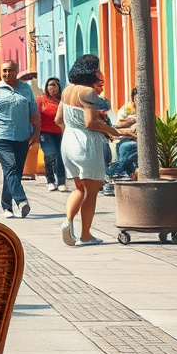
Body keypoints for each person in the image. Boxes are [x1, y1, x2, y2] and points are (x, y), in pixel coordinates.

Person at [57, 55, 131, 246]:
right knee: (91, 192)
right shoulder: (89, 92)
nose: (100, 72)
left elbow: (59, 119)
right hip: (85, 143)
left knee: (79, 188)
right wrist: (115, 131)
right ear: (90, 71)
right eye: (98, 69)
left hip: (68, 142)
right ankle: (86, 235)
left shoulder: (66, 90)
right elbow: (90, 123)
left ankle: (68, 220)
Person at [0, 59, 39, 218]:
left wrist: (36, 132)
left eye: (10, 70)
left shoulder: (26, 90)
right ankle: (21, 201)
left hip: (22, 136)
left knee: (14, 172)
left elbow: (34, 111)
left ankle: (6, 206)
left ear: (17, 71)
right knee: (11, 168)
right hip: (1, 137)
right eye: (4, 70)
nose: (7, 73)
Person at [37, 78, 67, 193]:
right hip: (45, 132)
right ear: (46, 87)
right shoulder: (41, 100)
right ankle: (50, 180)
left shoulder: (62, 101)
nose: (53, 87)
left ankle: (61, 182)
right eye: (50, 85)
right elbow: (35, 115)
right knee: (50, 155)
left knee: (60, 157)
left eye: (55, 85)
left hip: (60, 133)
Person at [107, 88, 139, 180]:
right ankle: (123, 172)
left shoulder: (146, 110)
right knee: (123, 147)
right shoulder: (127, 109)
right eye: (136, 99)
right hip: (126, 138)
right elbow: (119, 125)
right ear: (133, 98)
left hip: (136, 140)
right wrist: (133, 121)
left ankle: (115, 171)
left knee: (125, 148)